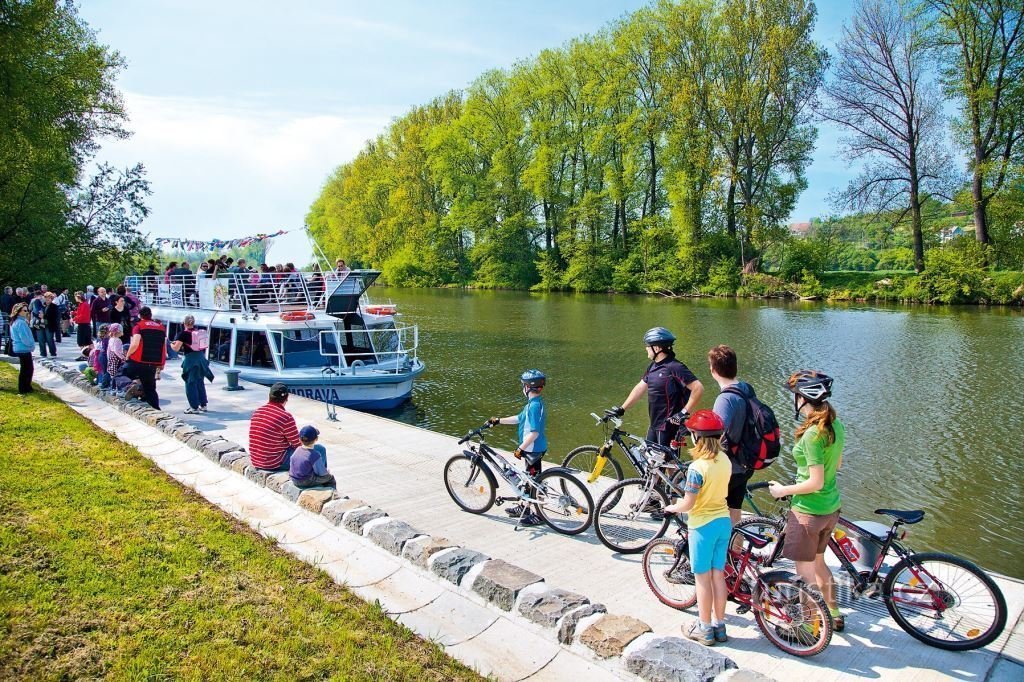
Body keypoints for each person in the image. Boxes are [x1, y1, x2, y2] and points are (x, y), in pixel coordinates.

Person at [769, 370, 845, 633]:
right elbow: (838, 464)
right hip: (831, 508)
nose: (793, 400)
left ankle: (808, 626)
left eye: (795, 395)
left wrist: (783, 490)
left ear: (803, 399)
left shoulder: (813, 434)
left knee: (804, 573)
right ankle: (833, 613)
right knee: (819, 563)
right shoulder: (835, 425)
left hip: (809, 512)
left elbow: (815, 482)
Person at [663, 410, 732, 646]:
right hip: (724, 522)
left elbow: (689, 503)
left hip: (703, 526)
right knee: (718, 576)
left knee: (702, 579)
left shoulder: (697, 468)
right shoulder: (725, 460)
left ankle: (703, 628)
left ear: (697, 438)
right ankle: (719, 626)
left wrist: (672, 508)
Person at [612, 327, 704, 446]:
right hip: (655, 424)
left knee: (665, 463)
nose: (646, 349)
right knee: (648, 461)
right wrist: (622, 409)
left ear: (657, 348)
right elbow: (640, 388)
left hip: (668, 426)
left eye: (648, 346)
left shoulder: (675, 367)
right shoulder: (653, 367)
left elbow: (698, 388)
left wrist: (683, 413)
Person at [488, 369, 549, 527]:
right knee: (529, 480)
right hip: (533, 448)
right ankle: (525, 507)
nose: (522, 388)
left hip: (533, 449)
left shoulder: (534, 407)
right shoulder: (533, 404)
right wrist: (499, 420)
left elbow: (534, 433)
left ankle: (540, 515)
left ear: (528, 387)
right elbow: (518, 418)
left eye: (523, 385)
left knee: (536, 482)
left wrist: (520, 448)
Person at [707, 344, 759, 524]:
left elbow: (715, 435)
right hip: (746, 461)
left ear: (713, 370)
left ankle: (720, 550)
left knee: (713, 513)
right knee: (735, 510)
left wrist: (694, 434)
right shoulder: (746, 388)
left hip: (729, 467)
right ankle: (736, 551)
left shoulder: (725, 399)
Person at [249, 383, 301, 471]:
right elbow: (298, 444)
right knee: (318, 450)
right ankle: (320, 479)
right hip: (274, 462)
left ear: (269, 396)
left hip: (256, 460)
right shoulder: (285, 417)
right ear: (286, 399)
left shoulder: (258, 411)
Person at [123, 307, 167, 409]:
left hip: (139, 360)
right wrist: (162, 363)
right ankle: (156, 409)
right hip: (153, 362)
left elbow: (135, 343)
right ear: (150, 315)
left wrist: (128, 355)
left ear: (140, 315)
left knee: (121, 374)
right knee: (150, 388)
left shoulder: (138, 326)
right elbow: (163, 346)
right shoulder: (161, 327)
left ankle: (133, 387)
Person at [172, 315, 211, 414]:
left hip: (191, 360)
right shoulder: (199, 332)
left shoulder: (183, 334)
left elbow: (176, 348)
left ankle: (194, 407)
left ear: (184, 323)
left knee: (190, 383)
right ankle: (203, 405)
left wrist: (170, 344)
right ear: (193, 323)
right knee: (200, 382)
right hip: (201, 359)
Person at [9, 303, 35, 394]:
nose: (26, 312)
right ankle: (24, 388)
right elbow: (24, 337)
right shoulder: (20, 323)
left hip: (20, 348)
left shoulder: (16, 321)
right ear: (18, 312)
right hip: (23, 348)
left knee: (26, 369)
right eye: (24, 310)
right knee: (27, 369)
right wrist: (31, 345)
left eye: (27, 310)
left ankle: (26, 387)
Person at [106, 322, 127, 392]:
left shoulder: (111, 339)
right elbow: (116, 350)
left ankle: (112, 388)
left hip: (112, 357)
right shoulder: (118, 340)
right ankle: (118, 389)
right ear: (118, 331)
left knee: (113, 374)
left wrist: (108, 358)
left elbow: (108, 350)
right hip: (117, 358)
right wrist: (123, 357)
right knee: (118, 374)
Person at [39, 291, 59, 357]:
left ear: (51, 299)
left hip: (50, 324)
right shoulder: (42, 305)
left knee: (49, 339)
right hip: (41, 323)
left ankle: (53, 352)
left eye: (49, 299)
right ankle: (43, 353)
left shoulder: (54, 306)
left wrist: (44, 316)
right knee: (41, 339)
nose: (47, 300)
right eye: (46, 299)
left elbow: (54, 316)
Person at [73, 291, 92, 357]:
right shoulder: (82, 304)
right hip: (83, 324)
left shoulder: (84, 304)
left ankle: (84, 355)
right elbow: (80, 313)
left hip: (84, 324)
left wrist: (74, 319)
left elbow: (83, 315)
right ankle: (88, 354)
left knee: (82, 341)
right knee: (87, 341)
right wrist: (74, 313)